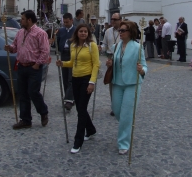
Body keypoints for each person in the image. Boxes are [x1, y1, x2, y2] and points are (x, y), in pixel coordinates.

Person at [56, 24, 100, 154]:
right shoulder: (73, 45)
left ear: (88, 33)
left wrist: (92, 82)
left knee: (81, 110)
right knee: (80, 107)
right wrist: (63, 63)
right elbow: (72, 62)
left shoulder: (92, 46)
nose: (83, 33)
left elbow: (96, 64)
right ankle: (91, 129)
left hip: (87, 79)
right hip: (75, 79)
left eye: (85, 31)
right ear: (77, 33)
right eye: (81, 31)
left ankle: (78, 140)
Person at [106, 21, 147, 155]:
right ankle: (125, 125)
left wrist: (141, 70)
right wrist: (110, 63)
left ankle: (123, 142)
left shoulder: (137, 47)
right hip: (117, 82)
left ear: (131, 32)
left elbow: (145, 66)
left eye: (123, 30)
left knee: (126, 114)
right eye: (120, 30)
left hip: (132, 84)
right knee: (116, 110)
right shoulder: (116, 46)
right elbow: (114, 60)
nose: (120, 32)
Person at [4, 10, 50, 129]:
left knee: (33, 92)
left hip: (33, 67)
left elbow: (45, 51)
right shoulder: (20, 32)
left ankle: (43, 112)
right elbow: (15, 46)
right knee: (23, 93)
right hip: (22, 66)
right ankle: (25, 119)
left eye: (23, 19)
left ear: (29, 20)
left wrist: (37, 64)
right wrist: (10, 48)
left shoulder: (40, 33)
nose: (21, 21)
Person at [99, 13, 121, 116]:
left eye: (115, 19)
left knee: (120, 82)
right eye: (112, 19)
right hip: (110, 58)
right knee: (111, 82)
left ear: (120, 20)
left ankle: (121, 105)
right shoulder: (108, 31)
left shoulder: (124, 31)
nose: (113, 21)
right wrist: (101, 48)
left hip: (121, 58)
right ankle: (114, 106)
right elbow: (105, 44)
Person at [56, 13, 75, 110]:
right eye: (64, 22)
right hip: (64, 54)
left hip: (73, 54)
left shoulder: (75, 30)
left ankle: (69, 100)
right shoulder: (61, 30)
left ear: (72, 20)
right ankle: (68, 97)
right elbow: (57, 40)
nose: (65, 24)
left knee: (71, 77)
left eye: (67, 22)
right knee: (64, 77)